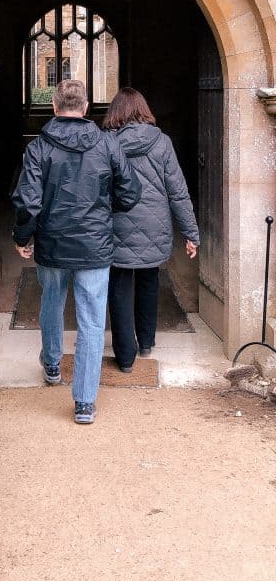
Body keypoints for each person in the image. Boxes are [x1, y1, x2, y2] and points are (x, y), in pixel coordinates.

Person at [12, 79, 140, 425]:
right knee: (92, 320)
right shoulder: (108, 144)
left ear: (55, 107)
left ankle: (53, 365)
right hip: (94, 245)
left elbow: (28, 201)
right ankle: (85, 402)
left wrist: (23, 237)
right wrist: (101, 209)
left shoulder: (39, 148)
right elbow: (130, 194)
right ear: (86, 108)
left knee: (52, 302)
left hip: (52, 242)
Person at [102, 87, 200, 372]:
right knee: (148, 281)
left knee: (118, 286)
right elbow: (178, 192)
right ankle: (145, 342)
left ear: (115, 112)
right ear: (143, 110)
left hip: (115, 224)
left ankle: (125, 356)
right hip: (154, 225)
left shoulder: (106, 143)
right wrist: (191, 234)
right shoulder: (162, 143)